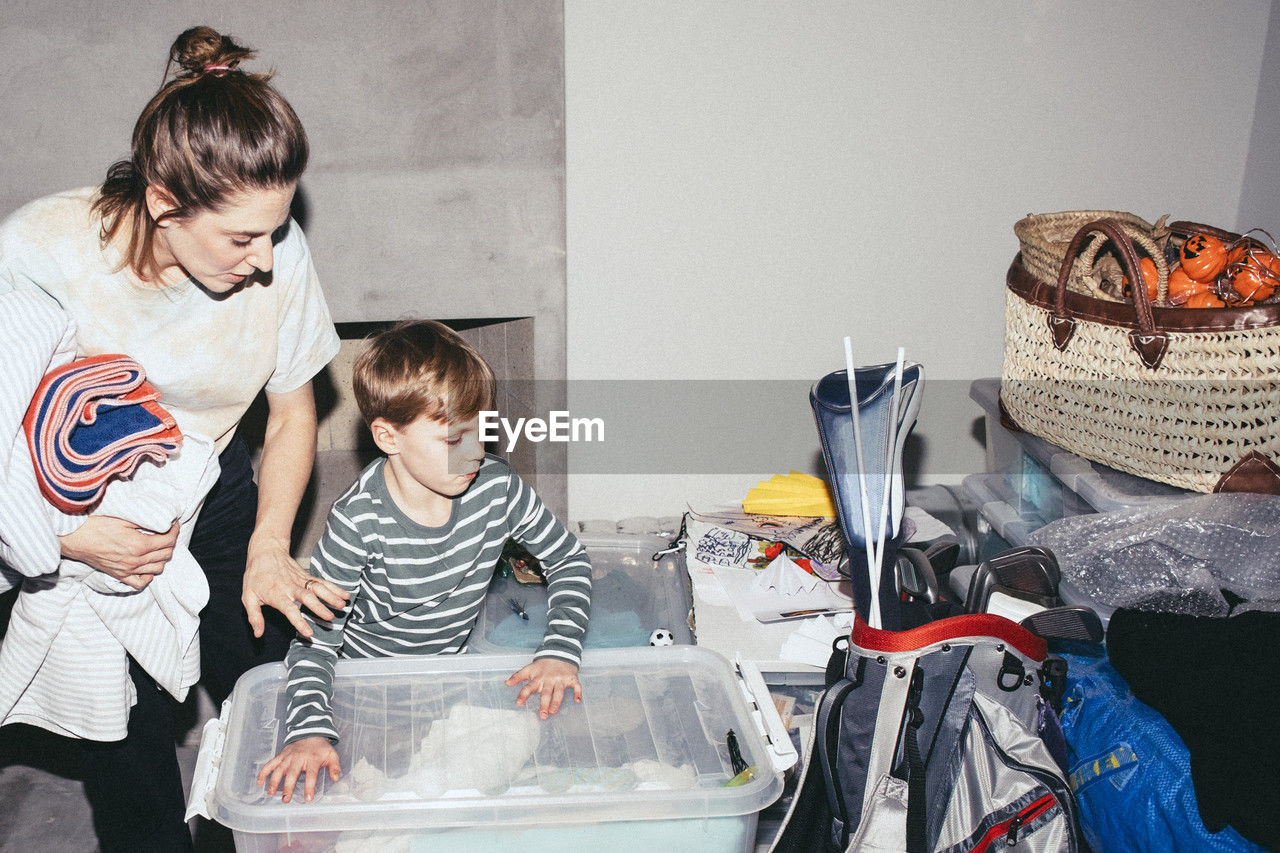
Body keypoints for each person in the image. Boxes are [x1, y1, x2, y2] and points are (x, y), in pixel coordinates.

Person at [0, 26, 347, 851]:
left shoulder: (279, 252)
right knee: (127, 731)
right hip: (83, 498)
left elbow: (295, 412)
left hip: (217, 483)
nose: (267, 260)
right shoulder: (43, 249)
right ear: (164, 204)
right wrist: (72, 539)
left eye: (276, 229)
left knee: (259, 679)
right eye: (241, 239)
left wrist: (270, 545)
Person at [257, 320, 592, 804]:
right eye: (454, 440)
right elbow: (313, 642)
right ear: (389, 437)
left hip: (450, 688)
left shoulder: (498, 488)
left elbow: (569, 559)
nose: (475, 453)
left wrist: (560, 650)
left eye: (483, 431)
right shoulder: (357, 520)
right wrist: (309, 732)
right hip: (363, 702)